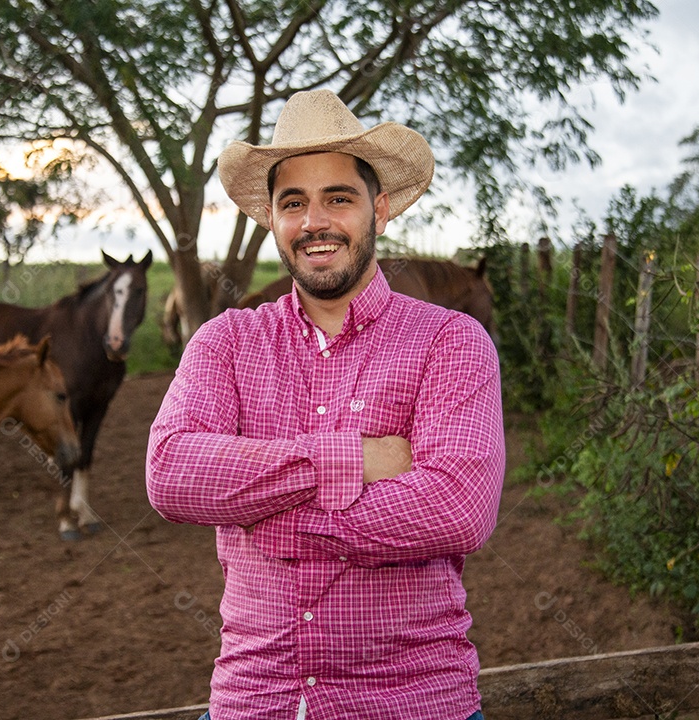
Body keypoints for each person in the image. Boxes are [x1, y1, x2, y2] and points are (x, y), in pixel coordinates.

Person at [146, 89, 505, 720]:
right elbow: (171, 472)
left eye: (338, 198)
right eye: (294, 203)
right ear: (271, 218)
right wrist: (350, 461)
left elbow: (456, 509)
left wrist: (266, 516)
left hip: (414, 701)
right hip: (258, 700)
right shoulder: (227, 342)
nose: (315, 221)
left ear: (379, 209)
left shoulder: (450, 341)